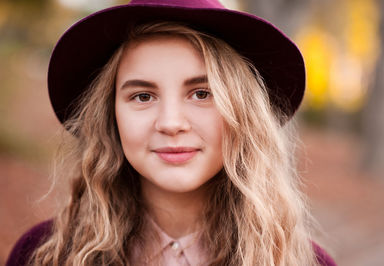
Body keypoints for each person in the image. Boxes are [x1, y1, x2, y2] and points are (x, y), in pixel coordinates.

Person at [6, 0, 336, 265]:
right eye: (143, 96)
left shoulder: (302, 261)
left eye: (202, 93)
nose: (171, 123)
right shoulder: (43, 255)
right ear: (111, 115)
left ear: (244, 113)